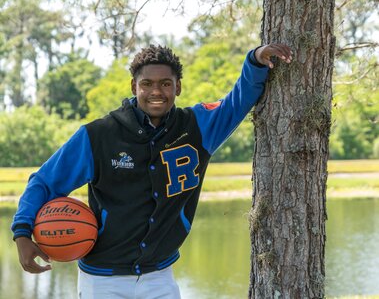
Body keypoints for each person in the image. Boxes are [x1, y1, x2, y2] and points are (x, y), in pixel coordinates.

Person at [11, 43, 292, 298]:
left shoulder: (197, 127)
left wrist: (255, 60)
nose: (156, 91)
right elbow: (44, 182)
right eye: (147, 83)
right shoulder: (98, 136)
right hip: (102, 279)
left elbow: (237, 102)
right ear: (134, 86)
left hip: (159, 277)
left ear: (178, 87)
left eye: (165, 83)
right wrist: (22, 233)